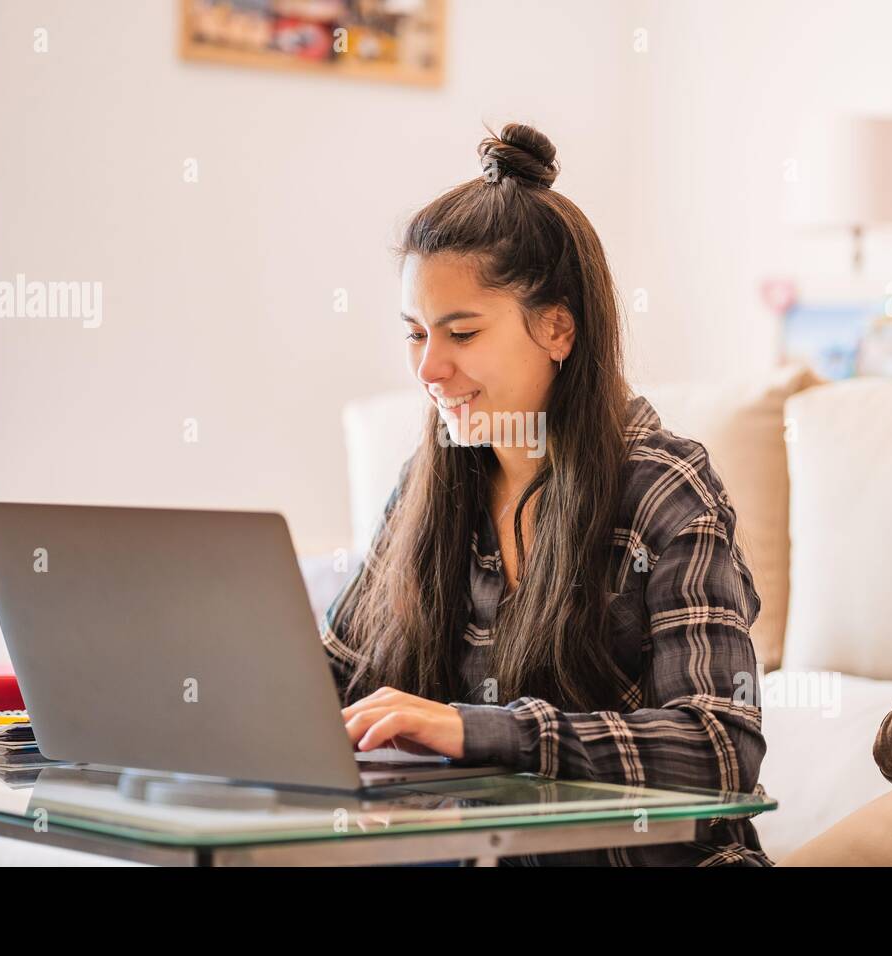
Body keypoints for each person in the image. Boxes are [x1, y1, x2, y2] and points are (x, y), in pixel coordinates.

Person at [321, 122, 772, 866]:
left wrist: (478, 729)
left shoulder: (662, 486)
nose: (429, 369)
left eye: (461, 333)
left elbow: (720, 749)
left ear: (558, 327)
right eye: (415, 334)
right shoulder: (429, 487)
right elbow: (334, 678)